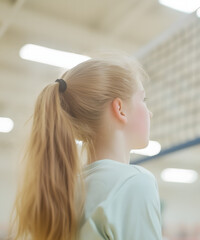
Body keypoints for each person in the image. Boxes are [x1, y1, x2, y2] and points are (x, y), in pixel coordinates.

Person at [9, 53, 162, 240]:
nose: (150, 113)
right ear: (120, 108)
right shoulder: (134, 183)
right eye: (143, 100)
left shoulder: (65, 187)